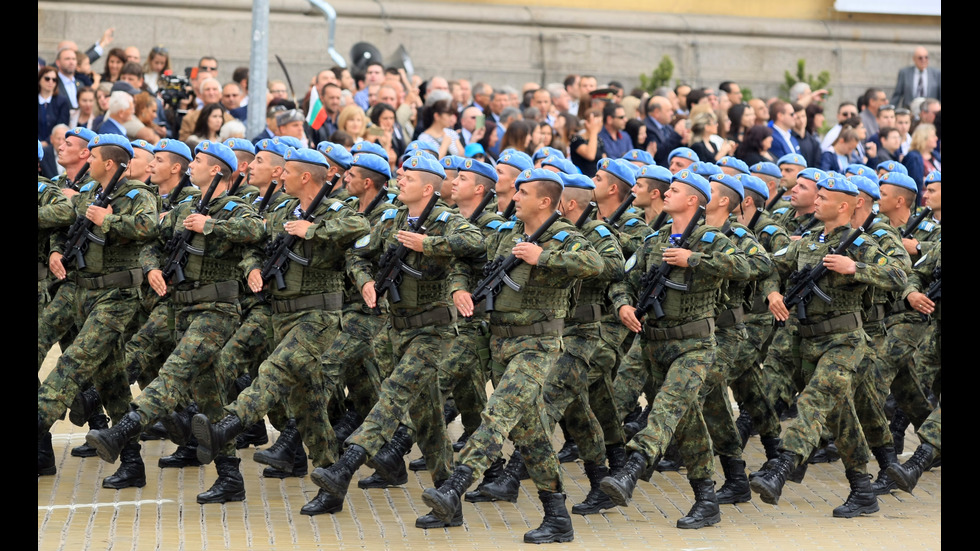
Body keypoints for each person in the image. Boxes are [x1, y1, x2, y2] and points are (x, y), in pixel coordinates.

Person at [420, 168, 602, 543]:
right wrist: (458, 289)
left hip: (537, 347)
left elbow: (596, 265)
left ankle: (455, 486)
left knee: (497, 414)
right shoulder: (506, 234)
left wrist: (543, 257)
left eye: (523, 193)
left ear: (545, 201)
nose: (515, 197)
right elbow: (465, 262)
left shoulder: (565, 236)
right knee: (531, 434)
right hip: (501, 344)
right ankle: (558, 518)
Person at [306, 155, 484, 523]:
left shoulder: (447, 221)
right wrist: (366, 281)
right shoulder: (391, 219)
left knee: (392, 398)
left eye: (409, 177)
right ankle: (449, 503)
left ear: (430, 188)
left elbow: (474, 242)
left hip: (434, 333)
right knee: (429, 421)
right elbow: (357, 255)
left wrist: (427, 245)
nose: (400, 181)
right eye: (400, 175)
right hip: (396, 330)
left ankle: (342, 471)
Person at [86, 140, 267, 501]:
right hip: (182, 308)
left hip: (216, 312)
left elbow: (256, 233)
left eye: (198, 161)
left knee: (174, 374)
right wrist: (152, 267)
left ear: (216, 170)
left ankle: (121, 431)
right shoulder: (185, 203)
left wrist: (211, 225)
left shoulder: (235, 206)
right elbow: (154, 241)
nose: (192, 166)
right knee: (210, 395)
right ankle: (231, 478)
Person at [751, 174, 907, 517]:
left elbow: (899, 274)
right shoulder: (806, 242)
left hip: (845, 341)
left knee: (814, 399)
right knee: (841, 417)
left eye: (824, 197)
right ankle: (863, 490)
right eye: (816, 196)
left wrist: (857, 268)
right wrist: (773, 292)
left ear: (844, 206)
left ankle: (783, 467)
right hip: (807, 340)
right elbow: (767, 266)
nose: (817, 201)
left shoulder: (861, 243)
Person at [600, 170, 749, 529]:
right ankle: (706, 499)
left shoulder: (711, 239)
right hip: (653, 344)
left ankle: (631, 471)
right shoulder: (655, 242)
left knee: (665, 410)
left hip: (695, 345)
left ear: (694, 200)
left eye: (675, 190)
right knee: (688, 422)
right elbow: (624, 280)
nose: (666, 194)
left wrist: (693, 260)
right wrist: (622, 305)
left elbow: (745, 267)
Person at [38, 134, 159, 486]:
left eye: (93, 156)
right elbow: (67, 226)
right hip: (80, 290)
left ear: (109, 163)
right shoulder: (90, 192)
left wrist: (108, 220)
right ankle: (133, 463)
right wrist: (56, 251)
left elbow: (150, 227)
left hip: (117, 296)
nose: (87, 160)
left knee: (72, 363)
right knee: (113, 382)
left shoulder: (138, 194)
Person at [901, 123, 939, 194]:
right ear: (923, 138)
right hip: (922, 201)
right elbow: (914, 182)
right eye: (933, 136)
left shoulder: (936, 155)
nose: (936, 138)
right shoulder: (913, 157)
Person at [39, 66, 71, 144]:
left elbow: (62, 125)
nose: (51, 82)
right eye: (47, 79)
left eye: (54, 80)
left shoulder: (62, 101)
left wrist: (47, 142)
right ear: (39, 80)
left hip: (54, 145)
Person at [570, 108, 604, 176]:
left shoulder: (599, 140)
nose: (599, 125)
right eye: (596, 122)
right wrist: (593, 131)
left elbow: (604, 159)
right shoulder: (577, 140)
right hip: (582, 178)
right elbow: (590, 155)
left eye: (601, 121)